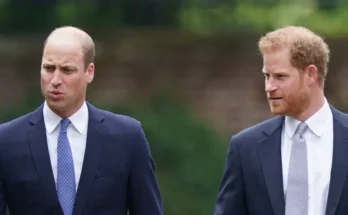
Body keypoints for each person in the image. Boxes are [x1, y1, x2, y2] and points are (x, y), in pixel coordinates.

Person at [0, 26, 163, 215]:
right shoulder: (6, 141)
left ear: (89, 72)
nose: (55, 80)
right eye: (49, 68)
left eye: (67, 70)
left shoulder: (127, 138)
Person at [214, 26, 348, 215]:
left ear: (311, 74)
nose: (269, 87)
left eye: (280, 77)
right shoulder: (245, 147)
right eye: (266, 76)